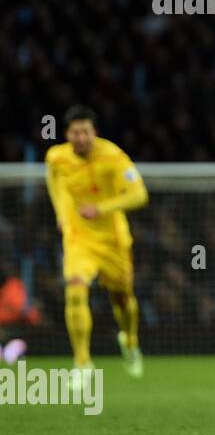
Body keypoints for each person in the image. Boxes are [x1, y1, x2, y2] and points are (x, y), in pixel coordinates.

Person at [45, 106, 148, 382]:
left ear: (95, 133)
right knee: (75, 289)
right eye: (75, 132)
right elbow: (54, 182)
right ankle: (82, 363)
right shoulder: (56, 158)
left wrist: (102, 207)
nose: (80, 138)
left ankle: (130, 342)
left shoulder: (114, 157)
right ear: (67, 134)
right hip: (79, 239)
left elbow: (139, 194)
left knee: (123, 299)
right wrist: (61, 214)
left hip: (113, 240)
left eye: (85, 132)